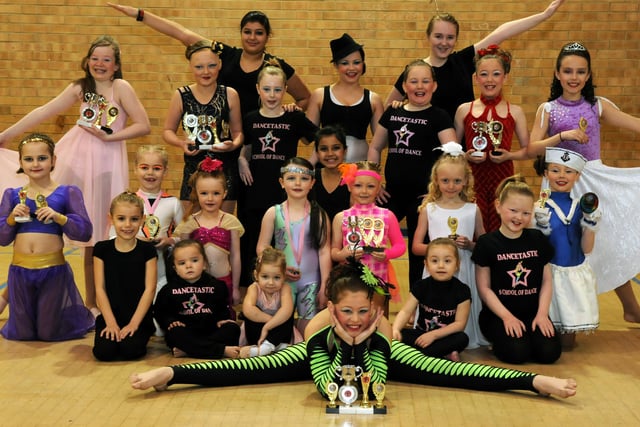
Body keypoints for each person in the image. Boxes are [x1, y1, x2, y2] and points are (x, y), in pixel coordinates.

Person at [129, 259, 577, 401]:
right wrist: (171, 375)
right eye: (347, 312)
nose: (356, 320)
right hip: (320, 356)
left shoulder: (388, 343)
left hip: (383, 355)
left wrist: (536, 381)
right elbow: (239, 373)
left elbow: (467, 375)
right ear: (331, 308)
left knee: (449, 373)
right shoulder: (312, 347)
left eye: (364, 312)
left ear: (376, 309)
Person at [0, 35, 151, 317]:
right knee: (49, 221)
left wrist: (112, 137)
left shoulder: (121, 87)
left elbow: (143, 125)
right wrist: (7, 134)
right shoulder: (81, 87)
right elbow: (45, 110)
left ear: (116, 65)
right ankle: (18, 296)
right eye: (95, 58)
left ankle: (96, 303)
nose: (100, 64)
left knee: (96, 236)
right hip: (77, 158)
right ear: (87, 61)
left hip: (107, 162)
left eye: (107, 59)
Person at [528, 41, 640, 324]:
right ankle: (555, 311)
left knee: (606, 243)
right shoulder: (548, 109)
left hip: (593, 181)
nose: (574, 77)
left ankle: (630, 308)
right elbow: (532, 148)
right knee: (557, 245)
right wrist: (562, 137)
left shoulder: (597, 105)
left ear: (588, 75)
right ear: (557, 73)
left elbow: (634, 124)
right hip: (558, 183)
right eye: (567, 71)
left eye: (580, 71)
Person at [107, 3, 310, 116]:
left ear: (267, 36)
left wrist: (288, 111)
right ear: (241, 33)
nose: (252, 37)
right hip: (220, 133)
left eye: (259, 33)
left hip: (258, 138)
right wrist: (140, 14)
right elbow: (182, 34)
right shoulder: (225, 53)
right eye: (247, 32)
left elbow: (305, 98)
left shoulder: (276, 66)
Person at [385, 0, 565, 120]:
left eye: (450, 37)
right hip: (427, 149)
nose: (444, 42)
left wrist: (544, 15)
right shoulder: (415, 71)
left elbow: (501, 33)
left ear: (456, 39)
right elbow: (388, 109)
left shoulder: (462, 61)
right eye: (438, 36)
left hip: (463, 147)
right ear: (428, 37)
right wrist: (399, 108)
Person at [368, 59, 456, 286]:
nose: (420, 86)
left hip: (423, 199)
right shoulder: (392, 113)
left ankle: (417, 311)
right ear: (404, 86)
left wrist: (437, 192)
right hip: (391, 195)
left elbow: (453, 156)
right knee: (370, 241)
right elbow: (375, 147)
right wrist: (374, 183)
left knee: (419, 255)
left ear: (434, 86)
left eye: (425, 81)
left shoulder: (440, 117)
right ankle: (369, 298)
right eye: (414, 81)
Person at [0, 133, 94, 341]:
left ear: (53, 160)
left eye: (42, 158)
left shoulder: (67, 192)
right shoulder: (12, 195)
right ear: (20, 162)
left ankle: (75, 316)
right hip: (20, 271)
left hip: (52, 271)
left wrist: (60, 217)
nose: (35, 164)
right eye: (29, 159)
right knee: (22, 334)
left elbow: (85, 232)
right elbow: (3, 239)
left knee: (47, 333)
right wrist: (12, 219)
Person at [238, 64, 317, 297]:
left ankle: (286, 293)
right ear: (258, 90)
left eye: (277, 90)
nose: (272, 95)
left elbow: (320, 140)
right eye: (267, 89)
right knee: (254, 241)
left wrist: (306, 168)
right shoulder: (250, 118)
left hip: (284, 194)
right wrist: (242, 159)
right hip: (254, 190)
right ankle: (255, 295)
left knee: (283, 243)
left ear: (285, 90)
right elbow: (245, 147)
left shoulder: (294, 117)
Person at [472, 176, 561, 364]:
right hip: (498, 315)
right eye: (513, 210)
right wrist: (507, 317)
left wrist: (542, 314)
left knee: (549, 354)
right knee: (517, 354)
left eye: (526, 213)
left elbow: (546, 281)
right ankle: (503, 341)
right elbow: (484, 289)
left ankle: (528, 339)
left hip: (532, 314)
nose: (519, 218)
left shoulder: (537, 238)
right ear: (498, 206)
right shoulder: (487, 243)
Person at [411, 142, 486, 348]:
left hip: (464, 270)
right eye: (445, 180)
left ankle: (462, 339)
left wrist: (470, 244)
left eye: (456, 181)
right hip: (435, 270)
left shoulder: (473, 210)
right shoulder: (429, 209)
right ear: (436, 180)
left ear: (466, 181)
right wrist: (437, 250)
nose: (451, 186)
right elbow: (416, 246)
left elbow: (485, 245)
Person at [454, 45, 529, 232]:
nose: (489, 80)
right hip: (472, 181)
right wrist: (466, 156)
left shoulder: (515, 111)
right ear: (475, 78)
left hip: (503, 181)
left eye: (496, 74)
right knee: (472, 232)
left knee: (501, 231)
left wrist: (508, 156)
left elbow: (528, 150)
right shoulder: (464, 110)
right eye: (484, 74)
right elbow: (452, 153)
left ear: (505, 77)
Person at [164, 40, 243, 214]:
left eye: (211, 65)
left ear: (220, 64)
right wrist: (181, 143)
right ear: (191, 67)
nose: (206, 72)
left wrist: (233, 145)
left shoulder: (230, 94)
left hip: (224, 171)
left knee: (223, 230)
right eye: (199, 67)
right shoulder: (181, 95)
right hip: (193, 170)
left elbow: (238, 133)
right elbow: (167, 131)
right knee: (192, 230)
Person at [532, 147, 599, 349]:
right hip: (549, 275)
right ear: (545, 173)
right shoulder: (539, 206)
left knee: (568, 344)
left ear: (577, 176)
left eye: (568, 171)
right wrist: (540, 226)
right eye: (555, 170)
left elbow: (587, 249)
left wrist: (590, 224)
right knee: (550, 339)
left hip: (575, 273)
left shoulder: (583, 206)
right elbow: (536, 250)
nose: (562, 176)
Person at [257, 157, 331, 334]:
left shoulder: (319, 215)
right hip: (282, 281)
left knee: (309, 332)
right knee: (280, 327)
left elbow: (324, 252)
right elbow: (262, 247)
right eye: (291, 178)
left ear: (312, 183)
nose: (297, 183)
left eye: (304, 179)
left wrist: (324, 286)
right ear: (282, 182)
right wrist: (279, 267)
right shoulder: (273, 213)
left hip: (311, 282)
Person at [331, 161, 406, 313]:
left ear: (379, 188)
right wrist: (343, 254)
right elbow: (333, 251)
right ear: (349, 186)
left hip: (379, 278)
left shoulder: (387, 215)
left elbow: (400, 246)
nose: (364, 191)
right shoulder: (341, 217)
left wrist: (387, 254)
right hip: (349, 280)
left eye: (370, 186)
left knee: (378, 318)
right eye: (358, 185)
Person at [173, 158, 244, 317]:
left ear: (224, 193)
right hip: (196, 285)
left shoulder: (230, 222)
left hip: (224, 282)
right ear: (196, 194)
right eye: (204, 193)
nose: (210, 198)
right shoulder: (189, 223)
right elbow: (181, 257)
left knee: (222, 321)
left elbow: (236, 256)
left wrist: (235, 288)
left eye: (216, 193)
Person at [93, 192, 158, 361]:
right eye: (121, 219)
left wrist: (134, 324)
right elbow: (99, 289)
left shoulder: (147, 250)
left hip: (137, 316)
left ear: (142, 220)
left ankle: (140, 332)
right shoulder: (101, 249)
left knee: (131, 350)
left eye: (134, 219)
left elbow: (150, 289)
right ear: (111, 219)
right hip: (111, 314)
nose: (127, 225)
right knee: (104, 352)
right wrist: (110, 323)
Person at [154, 239, 241, 359]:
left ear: (204, 263)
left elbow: (222, 307)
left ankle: (189, 350)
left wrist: (222, 319)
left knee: (233, 329)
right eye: (182, 263)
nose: (189, 266)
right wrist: (170, 321)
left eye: (194, 260)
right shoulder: (168, 290)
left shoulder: (217, 286)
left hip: (211, 329)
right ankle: (219, 350)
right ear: (175, 269)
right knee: (175, 333)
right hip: (185, 331)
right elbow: (160, 312)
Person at [130, 145, 183, 334]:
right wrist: (134, 239)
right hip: (133, 270)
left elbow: (184, 238)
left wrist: (169, 241)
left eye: (156, 168)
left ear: (165, 171)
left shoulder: (173, 203)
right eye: (144, 167)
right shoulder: (127, 201)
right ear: (135, 168)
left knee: (159, 330)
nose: (150, 173)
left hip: (161, 271)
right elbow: (112, 235)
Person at [306, 33, 384, 163]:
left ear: (363, 64)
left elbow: (381, 143)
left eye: (357, 62)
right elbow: (307, 137)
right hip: (326, 170)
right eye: (345, 63)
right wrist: (291, 111)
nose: (351, 68)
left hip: (359, 174)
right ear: (336, 65)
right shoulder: (319, 96)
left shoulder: (374, 99)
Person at [393, 238, 471, 361]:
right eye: (435, 261)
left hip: (445, 336)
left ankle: (416, 356)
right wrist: (395, 329)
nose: (441, 265)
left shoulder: (462, 290)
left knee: (462, 338)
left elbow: (459, 324)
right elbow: (405, 312)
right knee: (401, 334)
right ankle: (441, 353)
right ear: (427, 264)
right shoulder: (420, 286)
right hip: (421, 335)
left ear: (457, 264)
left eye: (447, 261)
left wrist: (433, 335)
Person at [239, 246, 296, 358]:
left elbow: (286, 311)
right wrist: (270, 323)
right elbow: (248, 310)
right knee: (252, 313)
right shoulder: (254, 288)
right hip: (257, 335)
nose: (270, 282)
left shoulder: (285, 288)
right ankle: (274, 347)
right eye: (265, 277)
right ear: (256, 275)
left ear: (284, 276)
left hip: (280, 334)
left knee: (287, 313)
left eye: (276, 277)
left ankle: (268, 346)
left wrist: (269, 326)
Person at [311, 126, 351, 221]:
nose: (330, 154)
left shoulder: (355, 178)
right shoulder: (310, 178)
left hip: (347, 234)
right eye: (324, 149)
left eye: (336, 148)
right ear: (317, 153)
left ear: (345, 151)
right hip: (318, 234)